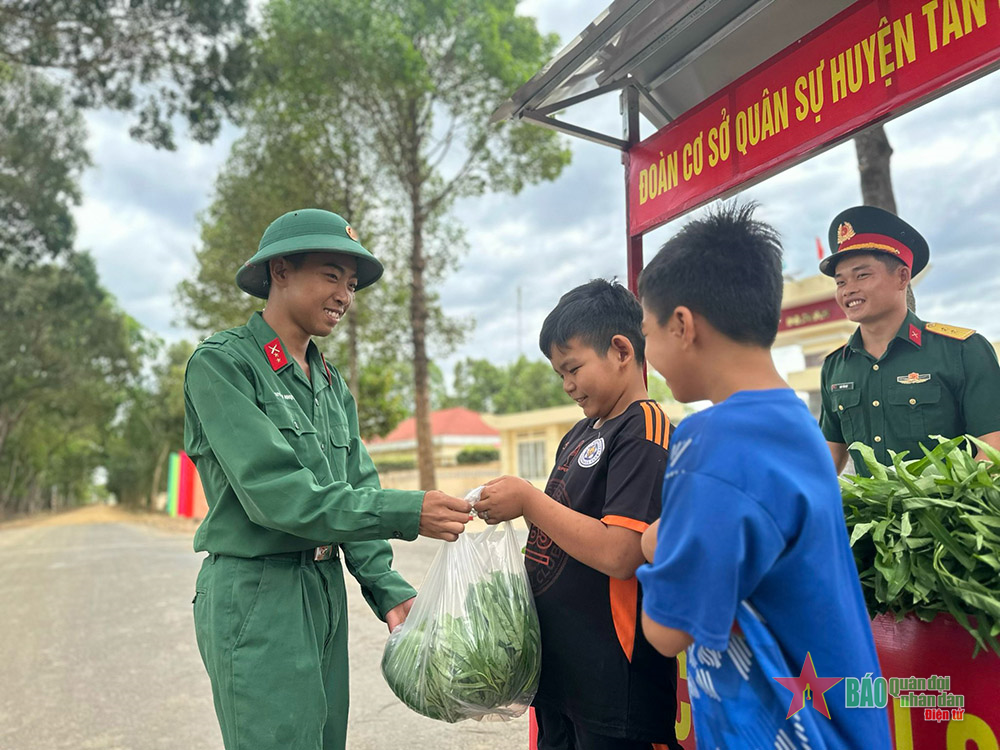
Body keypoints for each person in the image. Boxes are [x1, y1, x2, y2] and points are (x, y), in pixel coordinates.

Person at [184, 208, 473, 750]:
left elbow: (356, 487)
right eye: (331, 274)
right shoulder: (223, 365)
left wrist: (388, 589)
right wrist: (410, 512)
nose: (345, 294)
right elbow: (280, 497)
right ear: (281, 272)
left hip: (322, 588)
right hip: (258, 592)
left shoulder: (330, 383)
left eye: (353, 283)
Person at [635, 203, 890, 750]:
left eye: (646, 334)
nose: (648, 356)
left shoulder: (711, 441)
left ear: (682, 325)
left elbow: (667, 630)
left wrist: (657, 541)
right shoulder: (795, 420)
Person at [474, 279, 683, 750]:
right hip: (562, 678)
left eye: (573, 369)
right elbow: (560, 526)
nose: (567, 385)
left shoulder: (644, 430)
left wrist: (528, 500)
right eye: (559, 375)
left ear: (621, 350)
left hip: (616, 689)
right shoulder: (581, 433)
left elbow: (620, 552)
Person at [818, 205, 1000, 474]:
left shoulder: (963, 350)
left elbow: (992, 450)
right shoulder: (836, 367)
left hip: (948, 513)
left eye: (862, 275)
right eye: (841, 282)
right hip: (867, 517)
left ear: (902, 276)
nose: (849, 290)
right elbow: (826, 465)